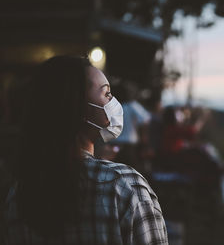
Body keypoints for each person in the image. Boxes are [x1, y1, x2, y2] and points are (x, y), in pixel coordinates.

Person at [3, 56, 168, 245]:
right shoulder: (125, 187)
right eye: (106, 94)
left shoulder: (19, 194)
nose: (113, 102)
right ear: (77, 107)